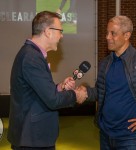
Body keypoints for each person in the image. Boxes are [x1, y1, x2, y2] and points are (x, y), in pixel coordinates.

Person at [7, 11, 87, 150]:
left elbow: (40, 92)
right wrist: (76, 95)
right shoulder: (32, 57)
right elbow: (53, 100)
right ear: (48, 32)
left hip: (34, 138)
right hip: (32, 139)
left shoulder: (32, 54)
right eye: (60, 31)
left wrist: (60, 88)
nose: (61, 36)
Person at [79, 15, 136, 150]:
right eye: (107, 33)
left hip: (132, 138)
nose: (107, 37)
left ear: (127, 35)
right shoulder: (104, 63)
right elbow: (100, 92)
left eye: (113, 33)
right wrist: (83, 92)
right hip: (105, 135)